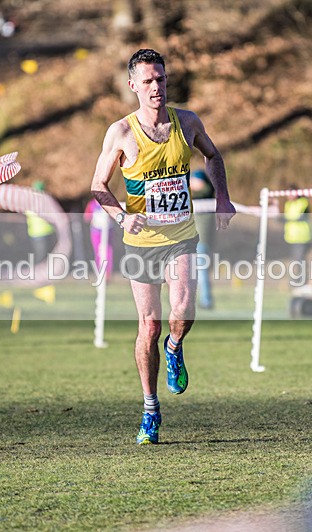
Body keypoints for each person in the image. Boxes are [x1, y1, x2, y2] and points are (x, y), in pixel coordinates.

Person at [90, 49, 236, 445]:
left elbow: (214, 155)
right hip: (140, 243)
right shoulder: (120, 132)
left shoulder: (186, 122)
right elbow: (98, 187)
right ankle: (150, 409)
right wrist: (122, 216)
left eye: (162, 79)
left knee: (183, 312)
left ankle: (175, 347)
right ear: (133, 85)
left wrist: (222, 197)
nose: (157, 87)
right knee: (149, 325)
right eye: (149, 81)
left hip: (181, 236)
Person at [189, 169, 215, 309]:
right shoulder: (197, 197)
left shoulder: (205, 194)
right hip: (192, 239)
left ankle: (206, 300)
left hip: (201, 240)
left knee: (201, 271)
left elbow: (205, 189)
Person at [283, 188, 312, 286]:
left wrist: (289, 219)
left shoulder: (303, 203)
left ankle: (302, 281)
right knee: (295, 260)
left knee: (300, 260)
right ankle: (296, 280)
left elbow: (304, 216)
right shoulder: (288, 204)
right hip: (292, 238)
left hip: (302, 237)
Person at [26, 181, 56, 264]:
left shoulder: (31, 202)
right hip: (38, 233)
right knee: (41, 256)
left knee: (46, 256)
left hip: (44, 232)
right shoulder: (42, 202)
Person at [83, 198, 113, 276]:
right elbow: (86, 217)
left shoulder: (109, 201)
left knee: (108, 251)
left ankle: (107, 274)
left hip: (108, 230)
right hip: (96, 231)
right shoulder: (92, 204)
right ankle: (99, 272)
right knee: (98, 252)